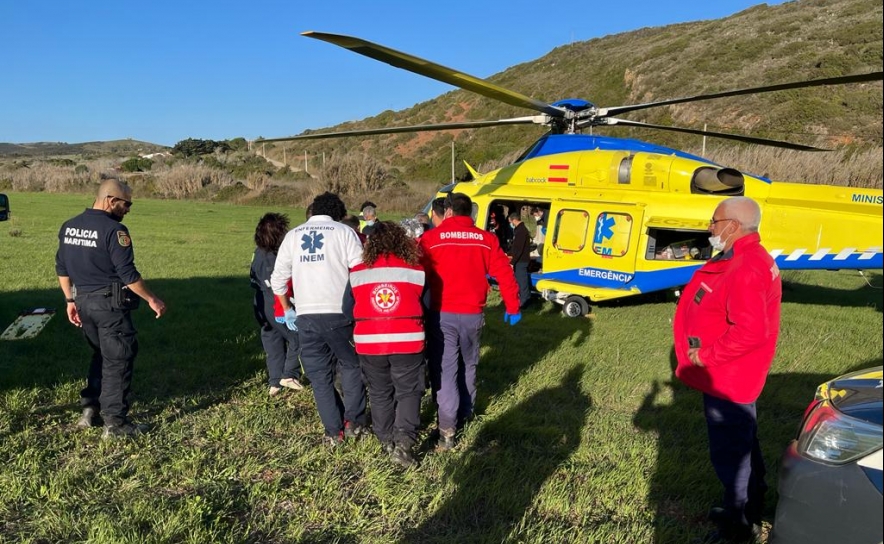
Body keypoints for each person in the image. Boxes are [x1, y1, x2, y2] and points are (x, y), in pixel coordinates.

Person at [672, 196, 781, 543]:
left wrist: (707, 357)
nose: (709, 228)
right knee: (743, 440)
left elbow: (750, 330)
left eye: (714, 221)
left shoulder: (746, 266)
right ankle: (753, 504)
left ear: (733, 226)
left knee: (730, 452)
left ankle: (737, 524)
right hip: (736, 376)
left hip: (728, 378)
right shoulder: (749, 257)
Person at [55, 177, 166, 439]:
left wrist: (70, 300)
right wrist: (152, 298)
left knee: (101, 354)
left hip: (82, 301)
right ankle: (115, 424)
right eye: (126, 204)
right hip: (108, 305)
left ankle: (90, 409)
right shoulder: (115, 232)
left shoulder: (69, 226)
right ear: (110, 200)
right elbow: (128, 275)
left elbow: (62, 268)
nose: (128, 210)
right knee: (118, 358)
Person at [419, 193, 522, 450]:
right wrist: (512, 305)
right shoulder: (487, 240)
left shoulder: (431, 239)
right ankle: (466, 413)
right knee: (468, 365)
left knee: (446, 369)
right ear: (472, 213)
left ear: (450, 212)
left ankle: (447, 430)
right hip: (473, 315)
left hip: (442, 314)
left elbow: (416, 273)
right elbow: (505, 274)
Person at [270, 191, 367, 446]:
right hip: (341, 314)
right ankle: (354, 421)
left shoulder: (293, 236)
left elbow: (278, 280)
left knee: (320, 377)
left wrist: (287, 308)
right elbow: (359, 272)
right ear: (338, 212)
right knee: (351, 365)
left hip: (306, 316)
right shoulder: (345, 233)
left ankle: (333, 432)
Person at [350, 221, 427, 467]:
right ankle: (404, 441)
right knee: (409, 391)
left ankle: (385, 440)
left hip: (370, 340)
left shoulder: (357, 270)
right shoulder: (415, 268)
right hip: (408, 339)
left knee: (379, 391)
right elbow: (427, 304)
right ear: (401, 242)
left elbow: (345, 307)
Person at [250, 213, 305, 397]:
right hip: (278, 304)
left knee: (272, 341)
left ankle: (275, 382)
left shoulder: (257, 253)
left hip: (260, 303)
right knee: (298, 337)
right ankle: (289, 374)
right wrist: (288, 307)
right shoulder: (277, 257)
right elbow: (282, 284)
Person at [507, 211, 532, 309]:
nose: (511, 224)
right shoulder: (519, 229)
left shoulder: (521, 231)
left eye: (511, 222)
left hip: (521, 261)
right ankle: (524, 298)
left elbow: (519, 248)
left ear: (514, 220)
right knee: (520, 281)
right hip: (520, 260)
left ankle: (525, 301)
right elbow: (515, 247)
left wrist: (513, 262)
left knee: (522, 282)